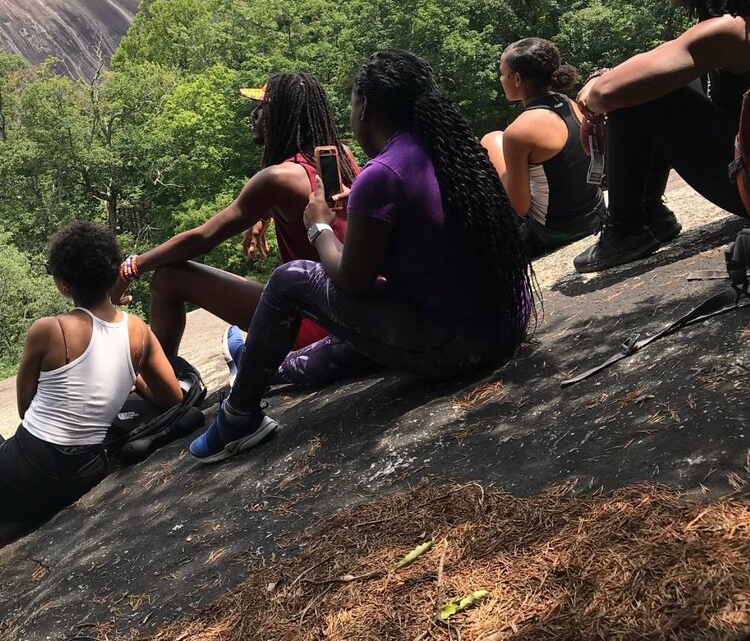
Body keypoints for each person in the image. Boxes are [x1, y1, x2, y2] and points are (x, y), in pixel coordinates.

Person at [189, 49, 534, 464]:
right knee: (342, 345)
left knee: (290, 279)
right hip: (508, 323)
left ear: (365, 106)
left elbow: (350, 280)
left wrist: (317, 227)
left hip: (457, 347)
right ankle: (268, 363)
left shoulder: (383, 174)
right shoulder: (452, 148)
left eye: (352, 103)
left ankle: (238, 416)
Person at [112, 72, 362, 381]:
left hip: (316, 323)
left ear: (282, 116)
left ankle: (160, 387)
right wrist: (262, 217)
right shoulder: (343, 157)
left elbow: (202, 238)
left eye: (262, 108)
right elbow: (299, 197)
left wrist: (130, 268)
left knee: (169, 277)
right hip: (357, 310)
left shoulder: (278, 178)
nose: (253, 116)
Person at [573, 0, 750, 273]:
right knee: (663, 80)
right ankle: (649, 214)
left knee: (638, 94)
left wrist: (592, 87)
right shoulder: (738, 26)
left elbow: (607, 92)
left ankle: (627, 228)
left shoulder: (726, 31)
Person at [0, 222, 182, 525]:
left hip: (25, 471)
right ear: (114, 273)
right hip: (84, 473)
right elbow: (172, 397)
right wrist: (130, 377)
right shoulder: (138, 330)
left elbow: (25, 411)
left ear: (63, 283)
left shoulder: (47, 329)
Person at [481, 38, 605, 258]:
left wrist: (503, 175)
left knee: (491, 140)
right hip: (596, 215)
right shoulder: (570, 103)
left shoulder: (519, 131)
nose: (500, 79)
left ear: (517, 79)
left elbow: (518, 208)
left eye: (502, 73)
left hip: (556, 231)